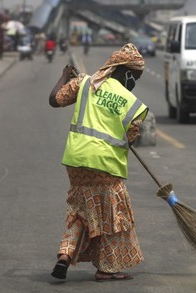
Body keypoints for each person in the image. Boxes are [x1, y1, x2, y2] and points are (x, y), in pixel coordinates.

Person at [48, 43, 148, 282]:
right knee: (114, 215)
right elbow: (131, 136)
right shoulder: (131, 100)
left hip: (76, 161)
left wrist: (64, 76)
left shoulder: (84, 83)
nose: (134, 81)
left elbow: (54, 100)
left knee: (80, 211)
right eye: (134, 76)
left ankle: (65, 254)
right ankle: (107, 269)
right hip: (105, 166)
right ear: (123, 72)